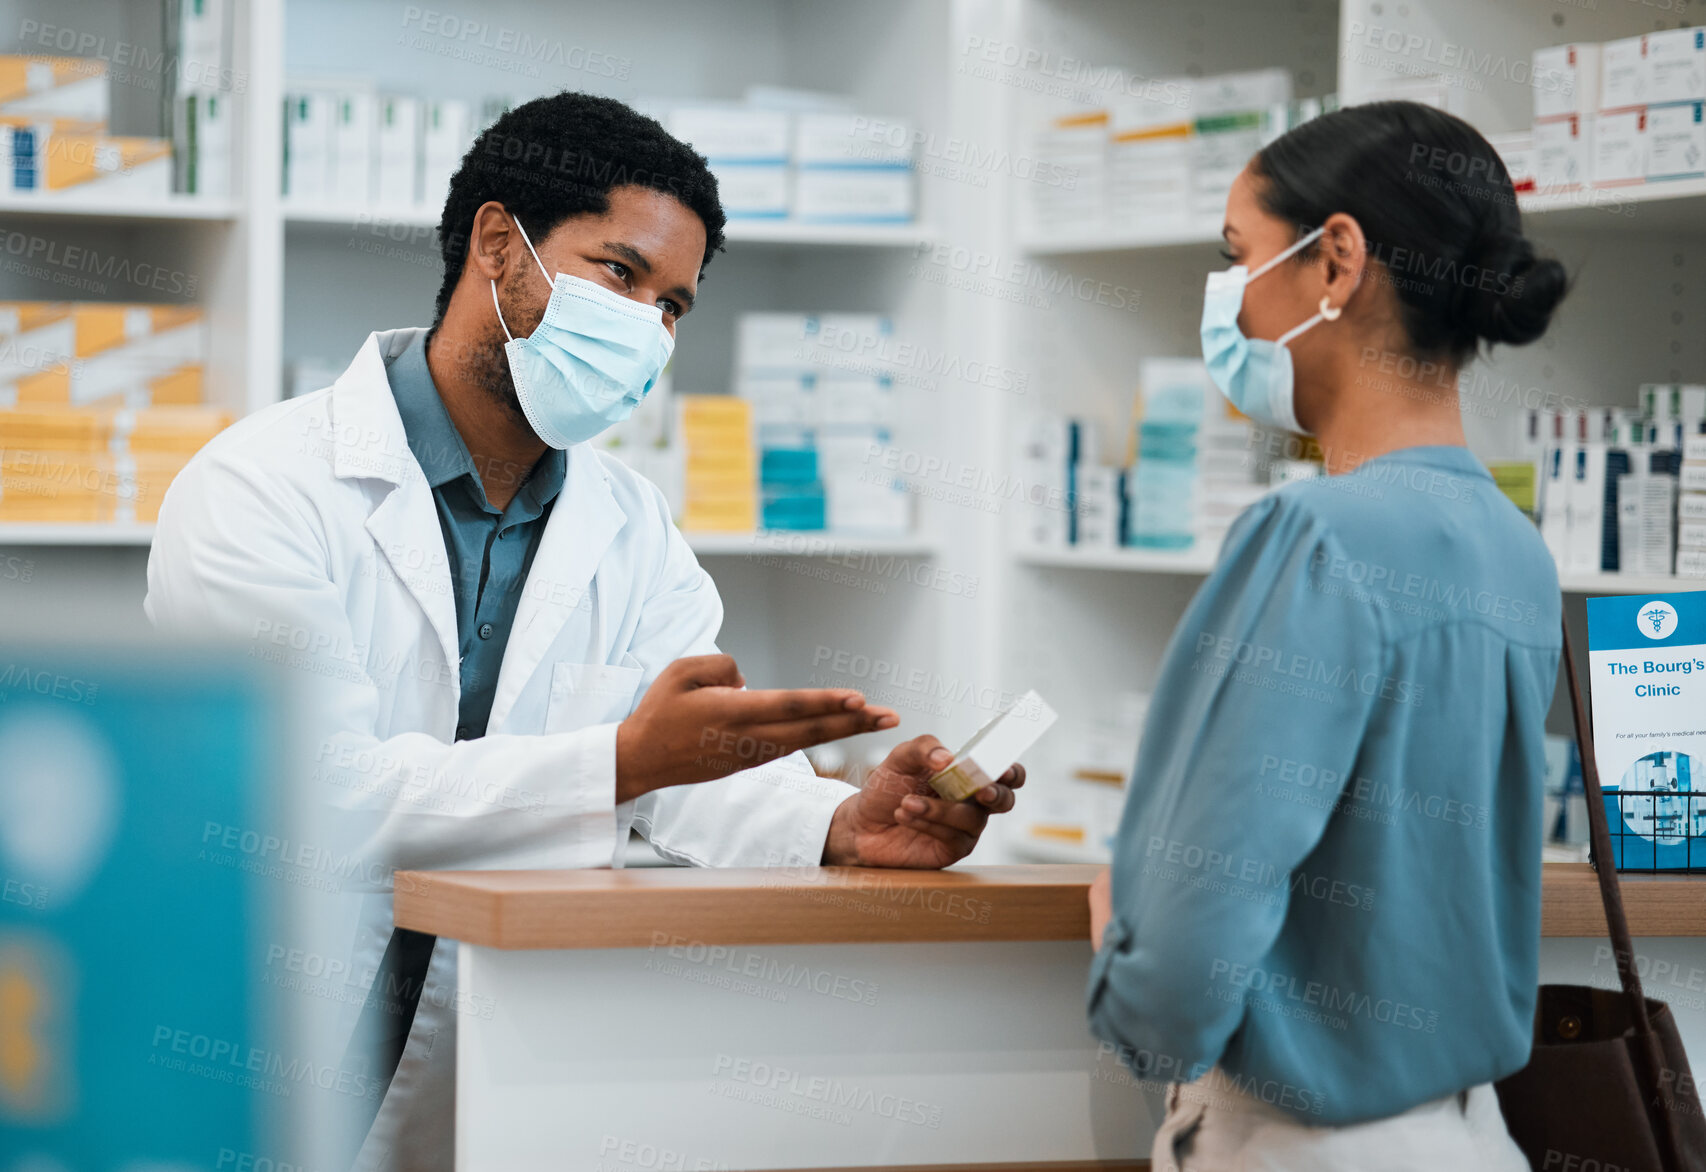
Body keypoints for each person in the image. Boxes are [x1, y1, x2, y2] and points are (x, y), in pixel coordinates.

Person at [145, 91, 1023, 1168]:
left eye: (675, 305)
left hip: (513, 1067)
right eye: (621, 273)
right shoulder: (261, 487)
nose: (650, 328)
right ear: (497, 245)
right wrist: (616, 759)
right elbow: (305, 791)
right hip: (263, 1045)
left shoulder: (631, 524)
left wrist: (844, 825)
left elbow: (678, 783)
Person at [1085, 101, 1570, 1170]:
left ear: (1334, 261)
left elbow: (1180, 947)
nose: (1228, 301)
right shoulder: (1510, 542)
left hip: (1298, 1142)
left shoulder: (1312, 532)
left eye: (1237, 255)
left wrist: (1120, 946)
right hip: (1468, 1132)